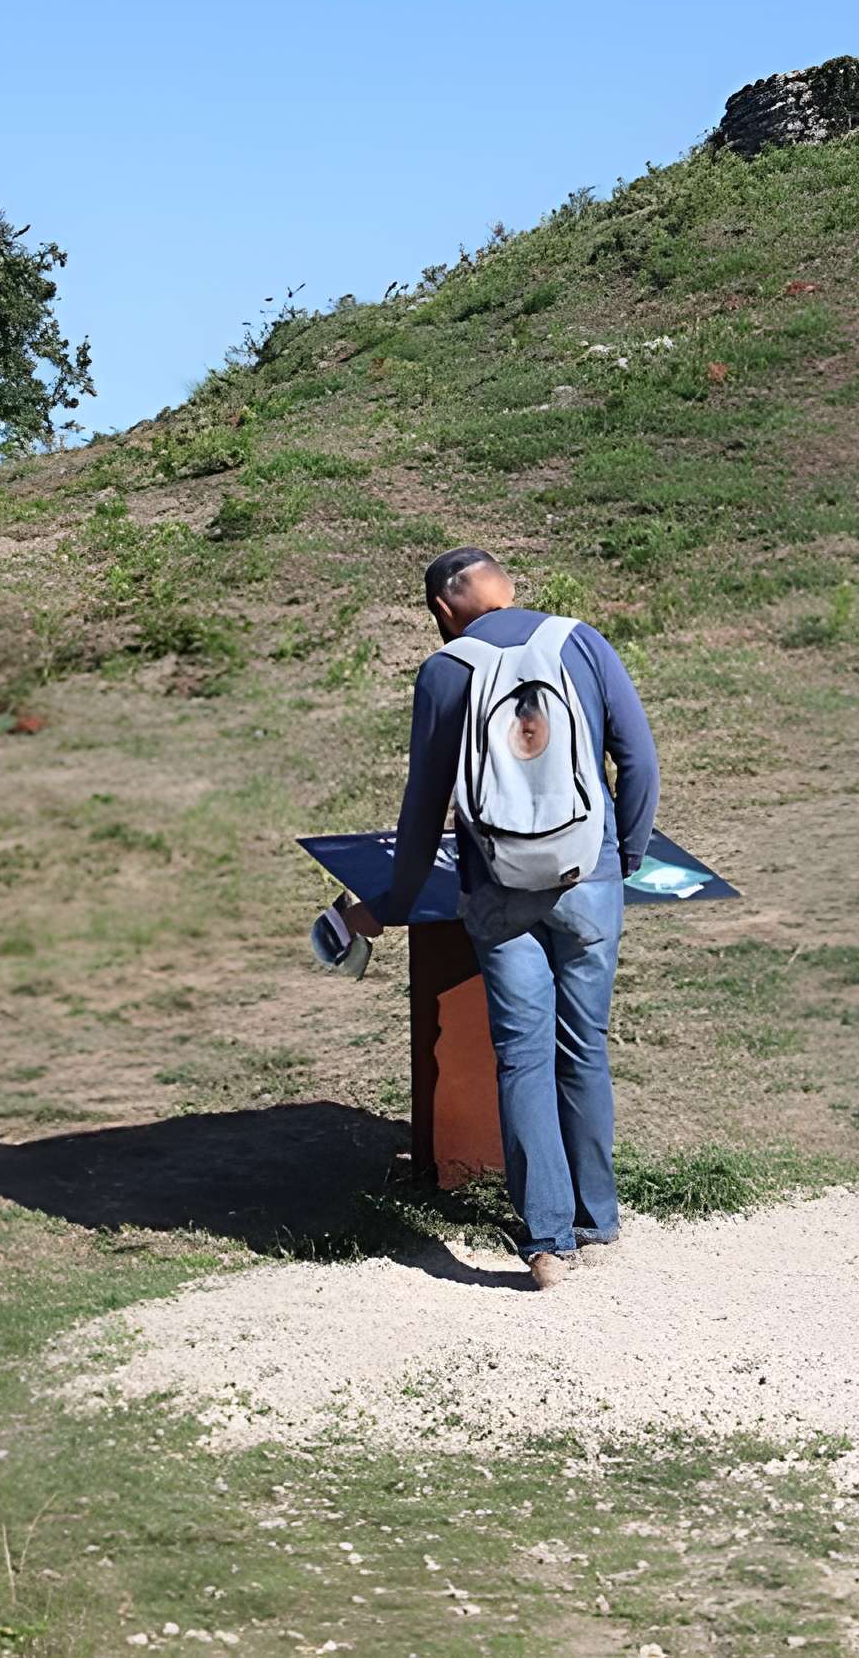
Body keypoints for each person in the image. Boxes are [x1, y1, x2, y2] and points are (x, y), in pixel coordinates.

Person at [343, 547, 658, 1290]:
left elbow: (424, 810)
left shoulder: (447, 669)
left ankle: (548, 1243)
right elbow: (637, 759)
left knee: (522, 1056)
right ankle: (599, 1219)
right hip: (590, 874)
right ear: (507, 587)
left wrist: (391, 904)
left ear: (443, 611)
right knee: (585, 1049)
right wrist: (625, 856)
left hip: (498, 889)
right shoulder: (581, 640)